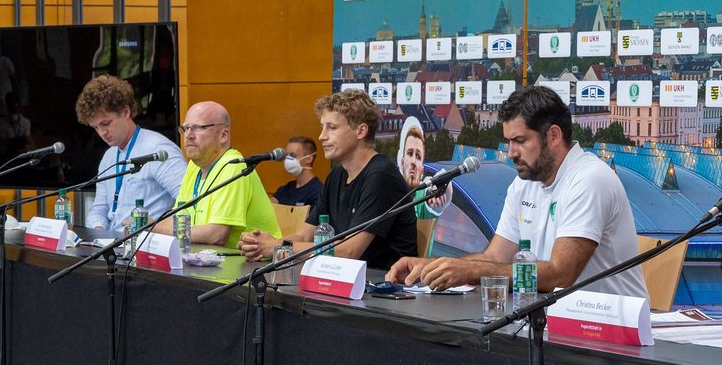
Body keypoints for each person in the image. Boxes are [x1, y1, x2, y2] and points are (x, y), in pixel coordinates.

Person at [385, 86, 647, 298]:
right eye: (509, 141)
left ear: (553, 135)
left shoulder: (589, 178)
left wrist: (469, 271)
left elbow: (560, 274)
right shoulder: (524, 183)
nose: (511, 153)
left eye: (520, 141)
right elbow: (495, 257)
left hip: (614, 335)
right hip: (557, 324)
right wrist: (430, 267)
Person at [237, 90, 417, 269]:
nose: (322, 136)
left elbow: (350, 251)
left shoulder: (381, 176)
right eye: (323, 127)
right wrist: (261, 245)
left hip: (384, 287)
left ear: (361, 131)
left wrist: (277, 247)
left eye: (331, 127)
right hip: (343, 280)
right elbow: (304, 236)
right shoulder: (336, 176)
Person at [149, 101, 281, 247]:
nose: (188, 135)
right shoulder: (194, 165)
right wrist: (144, 227)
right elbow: (178, 219)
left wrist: (154, 229)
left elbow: (217, 234)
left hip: (249, 264)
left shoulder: (233, 166)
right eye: (185, 128)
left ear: (223, 135)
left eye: (198, 128)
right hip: (207, 262)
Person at [76, 75, 186, 237]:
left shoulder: (159, 149)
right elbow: (99, 208)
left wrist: (156, 228)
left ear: (126, 112)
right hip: (114, 247)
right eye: (96, 127)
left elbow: (189, 203)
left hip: (146, 247)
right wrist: (99, 232)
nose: (102, 133)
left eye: (106, 124)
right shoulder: (109, 156)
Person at [396, 116, 450, 221]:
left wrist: (440, 188)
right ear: (402, 163)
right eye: (410, 153)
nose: (413, 162)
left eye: (418, 157)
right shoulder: (389, 195)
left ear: (422, 170)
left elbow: (447, 190)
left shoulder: (424, 197)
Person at [271, 136, 322, 207]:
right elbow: (269, 208)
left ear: (309, 159)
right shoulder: (285, 190)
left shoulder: (318, 191)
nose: (287, 159)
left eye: (293, 155)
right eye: (286, 155)